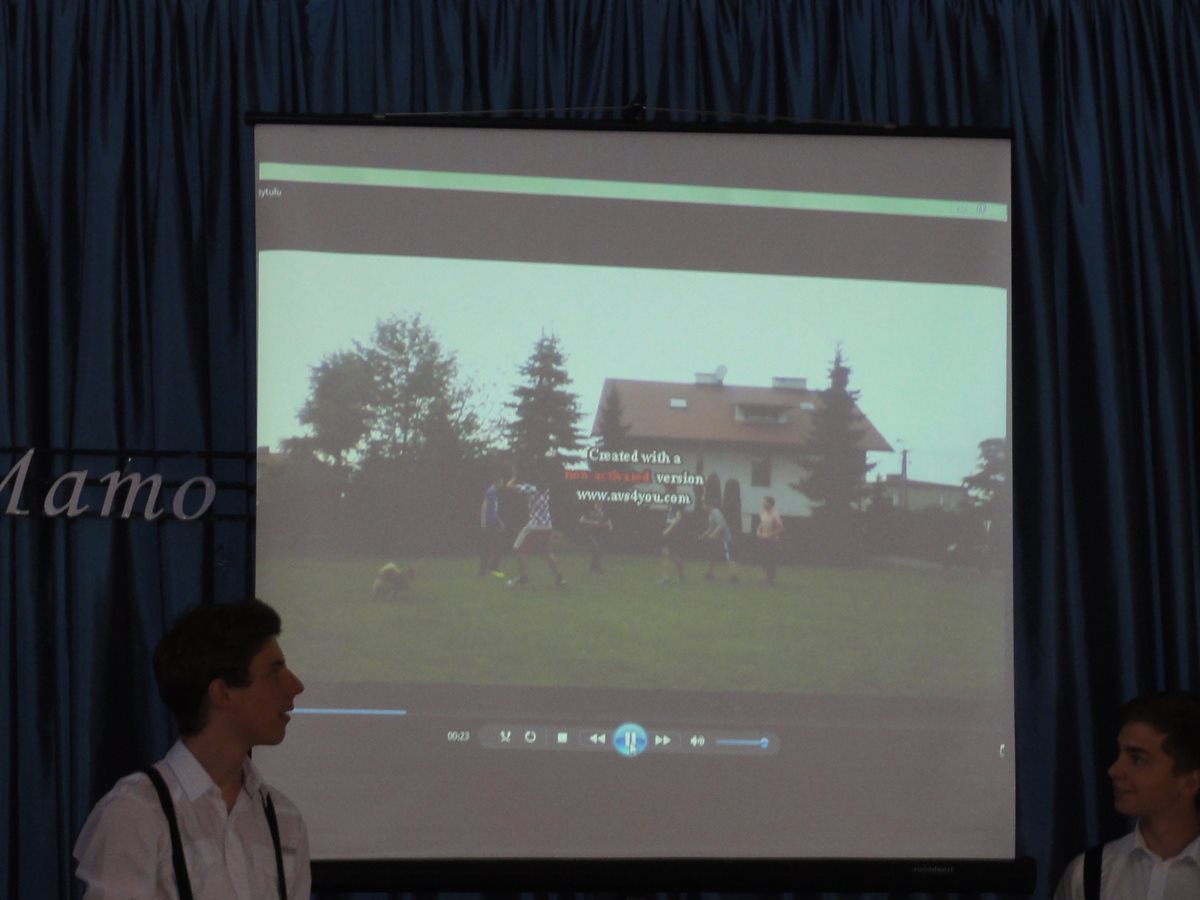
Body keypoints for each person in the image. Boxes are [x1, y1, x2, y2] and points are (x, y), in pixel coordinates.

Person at [74, 599, 310, 899]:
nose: (295, 686)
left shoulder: (283, 818)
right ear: (222, 693)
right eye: (273, 673)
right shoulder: (135, 812)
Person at [1053, 691, 1200, 900]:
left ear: (1189, 782)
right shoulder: (1088, 874)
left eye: (1138, 759)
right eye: (1119, 754)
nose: (1114, 770)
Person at [507, 473, 565, 587]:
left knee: (518, 549)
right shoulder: (546, 490)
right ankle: (559, 578)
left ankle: (523, 578)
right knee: (548, 553)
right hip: (547, 525)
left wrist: (515, 476)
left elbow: (509, 486)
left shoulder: (531, 488)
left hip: (534, 525)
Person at [699, 497, 738, 583]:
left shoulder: (716, 512)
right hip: (717, 539)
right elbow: (712, 527)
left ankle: (733, 575)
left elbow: (722, 525)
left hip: (725, 539)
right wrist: (704, 535)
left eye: (703, 504)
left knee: (729, 556)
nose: (702, 506)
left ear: (708, 504)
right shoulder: (710, 514)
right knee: (712, 555)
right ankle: (710, 573)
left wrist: (713, 534)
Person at [478, 472, 507, 577]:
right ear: (497, 481)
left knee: (496, 546)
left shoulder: (494, 492)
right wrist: (483, 523)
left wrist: (499, 521)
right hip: (489, 524)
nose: (503, 483)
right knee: (489, 547)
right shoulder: (490, 492)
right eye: (502, 481)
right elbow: (484, 507)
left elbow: (493, 510)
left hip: (494, 523)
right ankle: (486, 570)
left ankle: (491, 568)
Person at [657, 487, 687, 584]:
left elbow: (678, 518)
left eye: (666, 489)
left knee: (670, 553)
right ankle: (672, 576)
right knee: (668, 553)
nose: (665, 492)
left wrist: (668, 529)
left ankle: (670, 577)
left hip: (674, 531)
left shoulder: (676, 501)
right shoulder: (671, 501)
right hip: (671, 530)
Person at [755, 495, 785, 585]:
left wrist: (770, 534)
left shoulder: (775, 515)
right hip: (763, 539)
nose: (763, 504)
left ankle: (770, 580)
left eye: (765, 502)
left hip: (772, 541)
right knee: (763, 559)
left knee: (770, 560)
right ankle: (767, 577)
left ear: (770, 504)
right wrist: (758, 531)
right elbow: (762, 523)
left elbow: (781, 528)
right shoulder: (762, 513)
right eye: (763, 502)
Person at [578, 501, 613, 573]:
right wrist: (592, 522)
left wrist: (608, 526)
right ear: (594, 504)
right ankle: (597, 567)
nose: (598, 506)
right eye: (597, 504)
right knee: (596, 547)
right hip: (591, 533)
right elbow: (581, 520)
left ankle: (594, 567)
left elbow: (608, 522)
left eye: (600, 504)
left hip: (600, 534)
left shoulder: (604, 513)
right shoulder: (589, 512)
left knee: (597, 550)